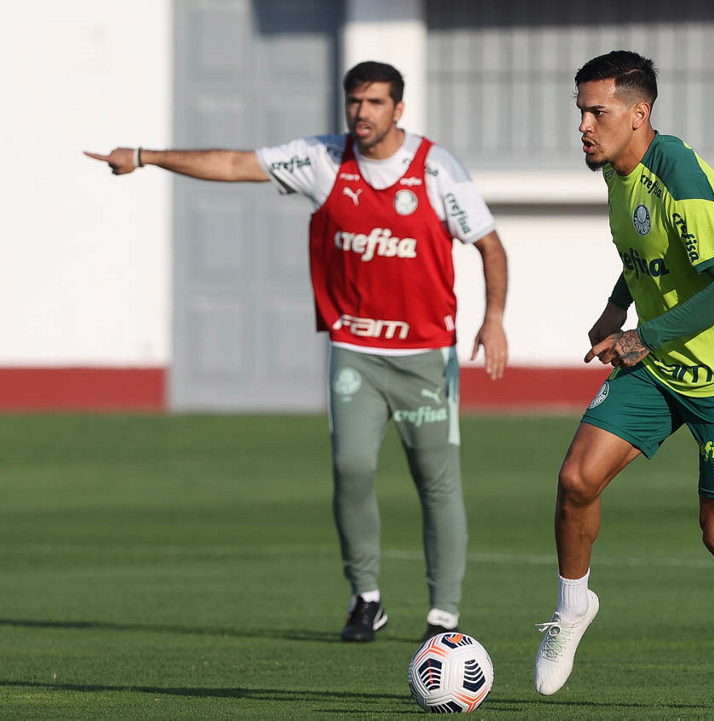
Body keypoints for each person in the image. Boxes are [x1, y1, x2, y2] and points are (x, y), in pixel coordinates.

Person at [85, 61, 509, 644]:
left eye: (376, 102)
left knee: (437, 483)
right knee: (350, 470)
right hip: (354, 350)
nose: (362, 112)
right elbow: (234, 164)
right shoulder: (322, 159)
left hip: (425, 355)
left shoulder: (437, 169)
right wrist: (146, 156)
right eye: (355, 101)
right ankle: (366, 599)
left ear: (399, 109)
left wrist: (493, 319)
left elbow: (490, 245)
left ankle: (444, 616)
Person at [531, 50, 714, 711]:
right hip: (661, 365)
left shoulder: (682, 177)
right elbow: (647, 250)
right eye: (580, 111)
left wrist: (643, 334)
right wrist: (617, 307)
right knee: (577, 479)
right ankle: (573, 607)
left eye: (597, 112)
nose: (583, 125)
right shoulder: (618, 170)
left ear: (639, 114)